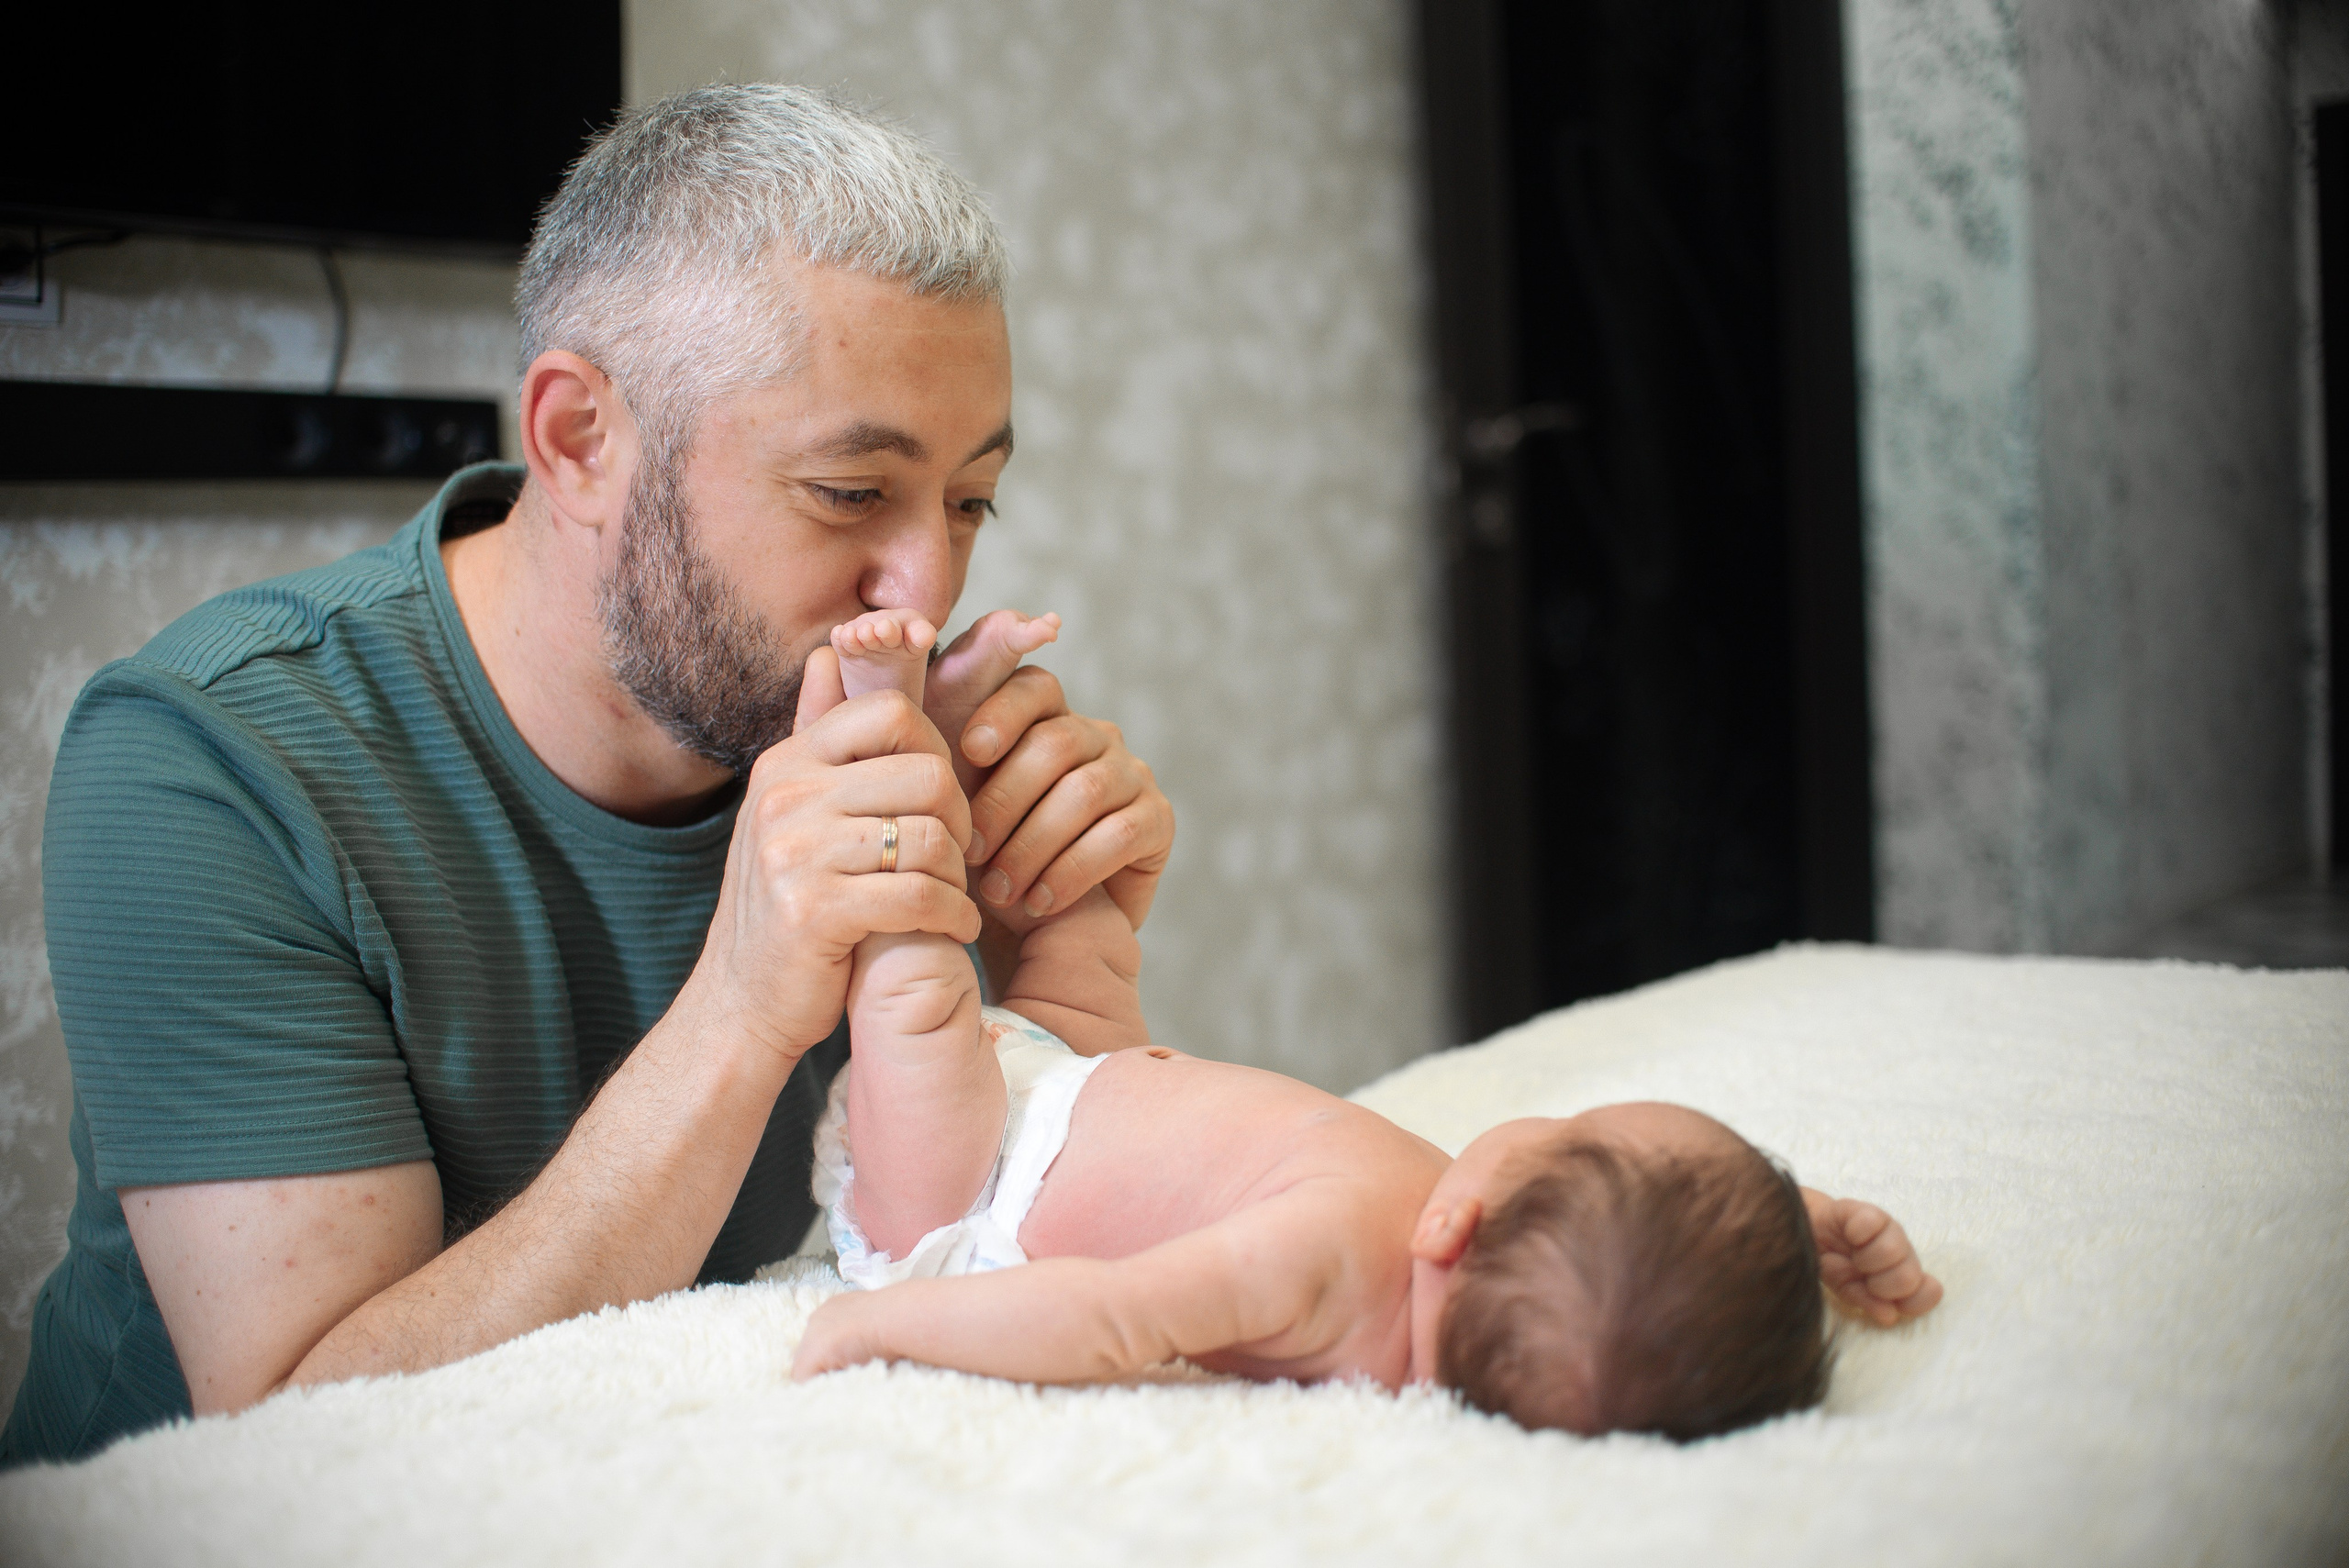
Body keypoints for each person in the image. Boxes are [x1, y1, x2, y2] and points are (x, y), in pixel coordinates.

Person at [2, 84, 1174, 1466]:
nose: (922, 588)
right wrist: (743, 1001)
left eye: (969, 499)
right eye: (852, 493)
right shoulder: (210, 760)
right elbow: (299, 1437)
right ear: (578, 439)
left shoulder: (863, 737)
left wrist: (1061, 971)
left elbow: (994, 1255)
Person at [795, 606, 1940, 1440]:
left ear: (1453, 1225)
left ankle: (879, 735)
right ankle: (955, 729)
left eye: (1565, 1127)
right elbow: (1658, 1250)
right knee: (1082, 930)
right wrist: (1788, 1224)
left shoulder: (1320, 1265)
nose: (1547, 1115)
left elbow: (1107, 1315)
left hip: (968, 1189)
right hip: (1072, 1079)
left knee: (920, 982)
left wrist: (893, 1328)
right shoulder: (1508, 1252)